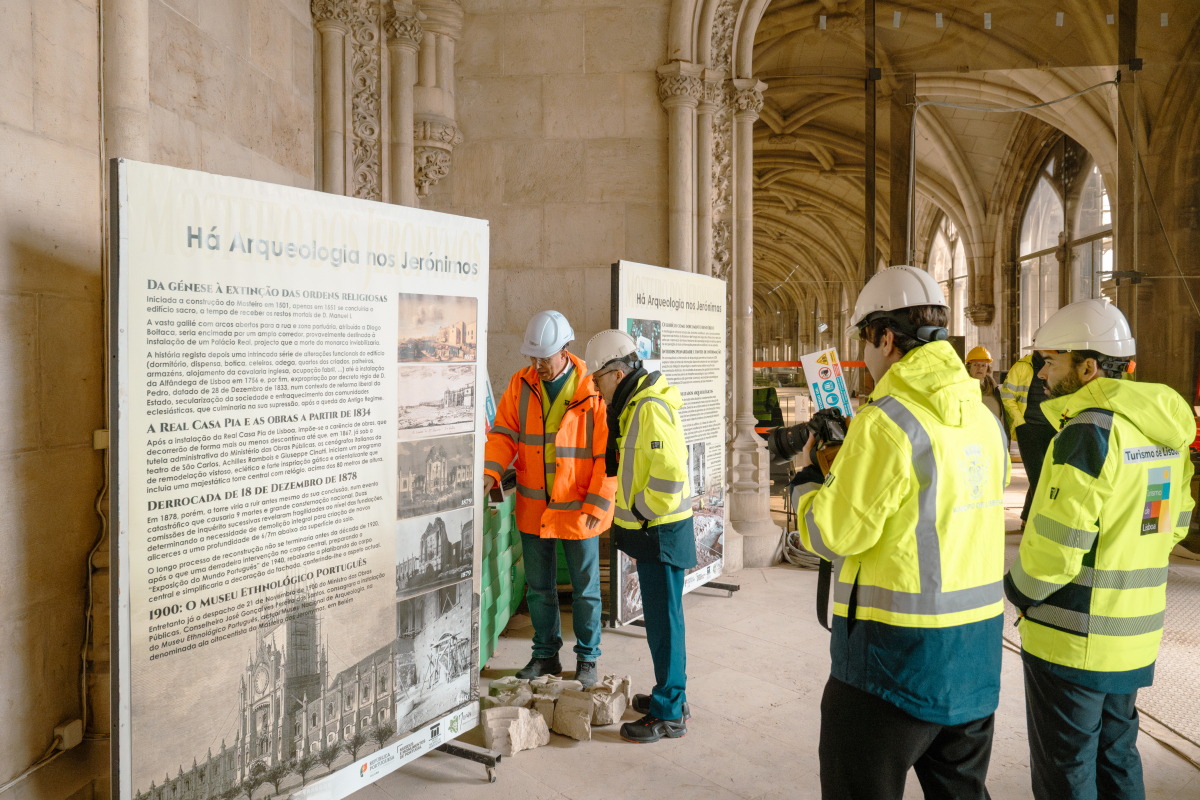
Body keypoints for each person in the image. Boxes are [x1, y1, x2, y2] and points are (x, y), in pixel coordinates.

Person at [790, 265, 1010, 799]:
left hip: (890, 666)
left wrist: (808, 482)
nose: (864, 356)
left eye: (865, 339)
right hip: (976, 660)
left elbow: (832, 533)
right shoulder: (985, 420)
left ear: (887, 338)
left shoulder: (888, 420)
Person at [1003, 299, 1195, 800]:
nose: (1041, 374)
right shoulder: (1164, 434)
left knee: (1066, 768)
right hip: (1133, 632)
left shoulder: (1088, 430)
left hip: (1072, 637)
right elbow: (1176, 522)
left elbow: (1056, 548)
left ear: (1088, 367)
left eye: (1051, 361)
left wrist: (1017, 590)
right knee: (1117, 756)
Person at [483, 311, 616, 688]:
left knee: (586, 591)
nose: (537, 364)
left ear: (566, 349)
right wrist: (489, 473)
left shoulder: (592, 391)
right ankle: (545, 657)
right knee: (539, 589)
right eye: (532, 357)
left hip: (579, 512)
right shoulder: (520, 384)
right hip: (535, 507)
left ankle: (588, 659)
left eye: (545, 357)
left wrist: (597, 505)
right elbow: (504, 434)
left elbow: (608, 456)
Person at [584, 329, 695, 744]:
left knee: (665, 626)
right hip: (657, 533)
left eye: (597, 380)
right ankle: (672, 696)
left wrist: (643, 516)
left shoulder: (647, 407)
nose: (597, 390)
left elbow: (670, 476)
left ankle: (670, 713)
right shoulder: (638, 404)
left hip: (661, 534)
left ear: (615, 373)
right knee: (664, 624)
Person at [1001, 350, 1056, 526]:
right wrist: (1020, 423)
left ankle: (1026, 517)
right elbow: (1007, 396)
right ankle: (1036, 523)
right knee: (1038, 476)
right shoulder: (1023, 366)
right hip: (1028, 428)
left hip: (1053, 428)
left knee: (1045, 474)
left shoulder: (1058, 363)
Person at [966, 345, 1004, 423]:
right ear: (969, 368)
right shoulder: (961, 387)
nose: (980, 368)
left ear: (987, 369)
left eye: (984, 365)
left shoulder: (994, 389)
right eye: (976, 365)